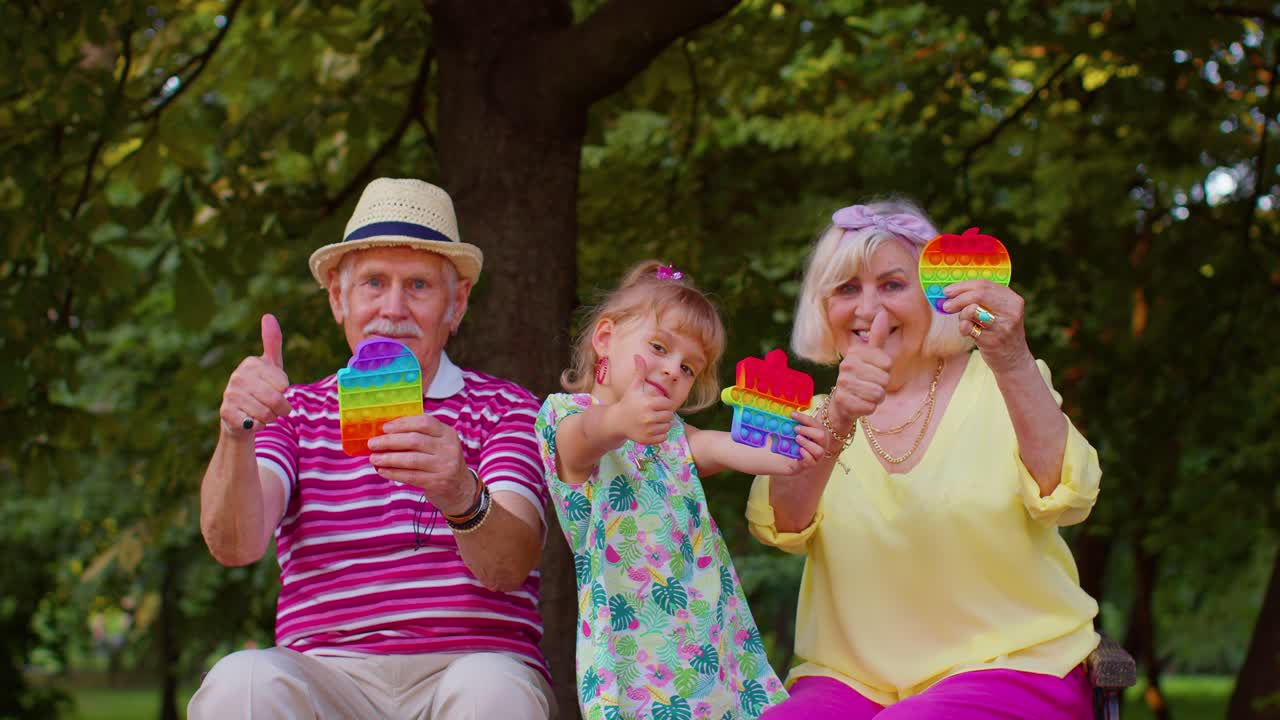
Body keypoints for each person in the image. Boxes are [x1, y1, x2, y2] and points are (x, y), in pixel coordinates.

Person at [189, 178, 554, 719]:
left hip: (467, 668)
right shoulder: (292, 411)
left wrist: (460, 491)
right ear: (339, 298)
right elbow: (235, 546)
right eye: (374, 283)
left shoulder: (507, 409)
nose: (393, 308)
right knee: (240, 681)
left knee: (492, 687)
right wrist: (235, 432)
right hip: (327, 676)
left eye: (420, 287)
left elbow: (509, 566)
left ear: (456, 305)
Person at [748, 200, 1103, 720]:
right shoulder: (816, 416)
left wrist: (1011, 356)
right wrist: (840, 417)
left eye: (892, 285)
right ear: (823, 307)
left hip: (1016, 666)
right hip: (851, 682)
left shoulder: (1004, 382)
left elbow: (1068, 497)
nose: (868, 308)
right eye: (847, 289)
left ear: (938, 296)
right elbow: (783, 524)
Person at [535, 260, 830, 720]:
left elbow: (731, 447)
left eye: (689, 367)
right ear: (605, 338)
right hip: (634, 653)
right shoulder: (566, 416)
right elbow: (583, 441)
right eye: (659, 347)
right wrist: (621, 419)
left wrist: (799, 452)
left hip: (708, 638)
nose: (673, 370)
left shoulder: (674, 437)